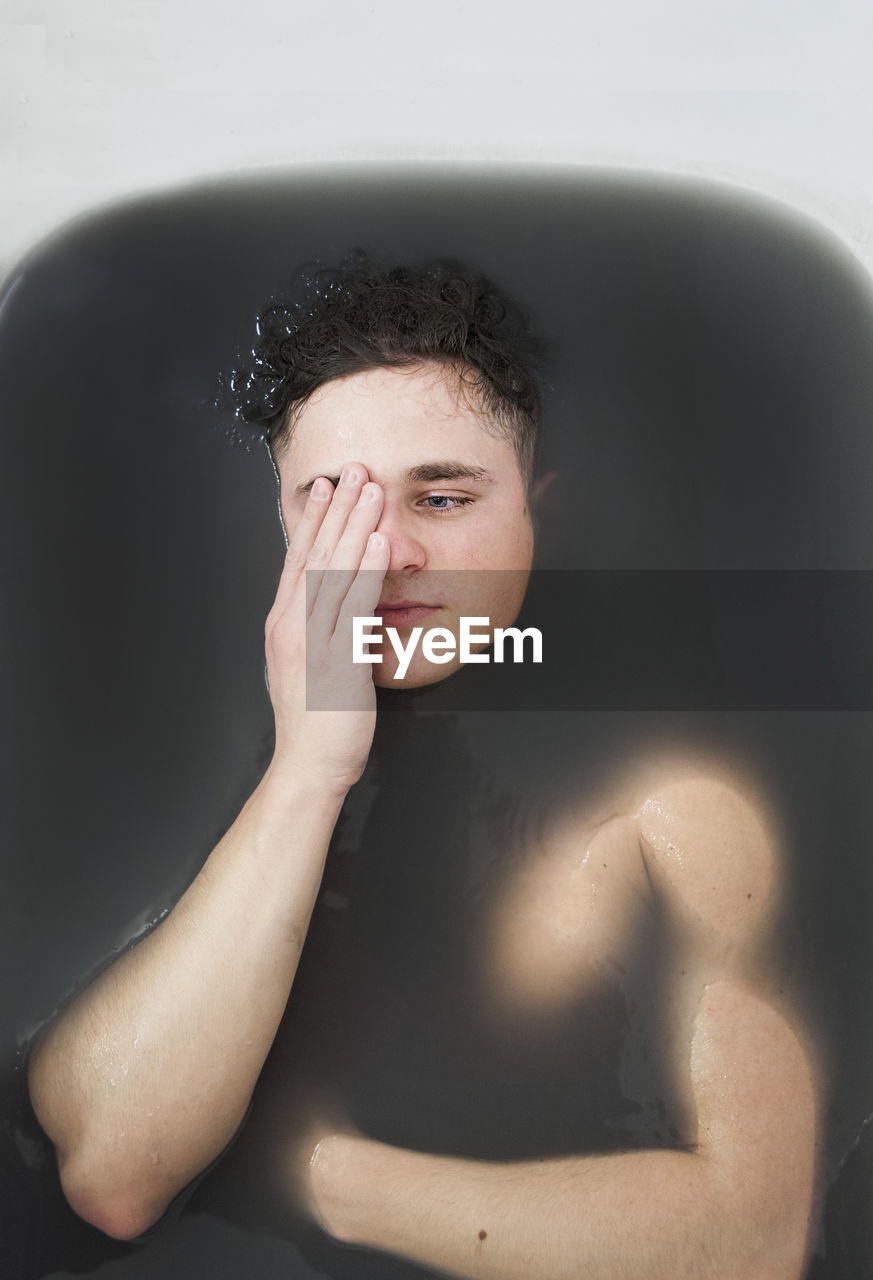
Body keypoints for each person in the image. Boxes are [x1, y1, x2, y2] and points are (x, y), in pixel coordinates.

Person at [27, 258, 819, 1279]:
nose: (386, 554)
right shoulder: (203, 750)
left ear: (543, 514)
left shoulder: (682, 804)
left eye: (442, 498)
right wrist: (309, 769)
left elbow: (752, 1239)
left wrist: (319, 1175)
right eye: (333, 507)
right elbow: (108, 1171)